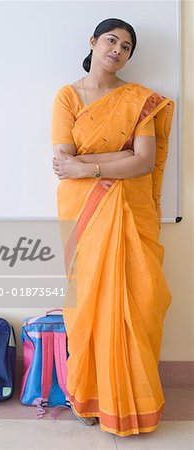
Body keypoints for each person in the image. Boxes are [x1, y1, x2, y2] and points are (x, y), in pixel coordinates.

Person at [51, 18, 174, 437]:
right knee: (86, 309)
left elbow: (141, 161)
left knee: (139, 303)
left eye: (126, 46)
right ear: (93, 42)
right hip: (82, 215)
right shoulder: (67, 97)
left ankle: (133, 404)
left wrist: (91, 164)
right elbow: (61, 163)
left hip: (130, 214)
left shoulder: (140, 100)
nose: (118, 50)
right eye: (111, 40)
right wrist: (105, 161)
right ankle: (87, 396)